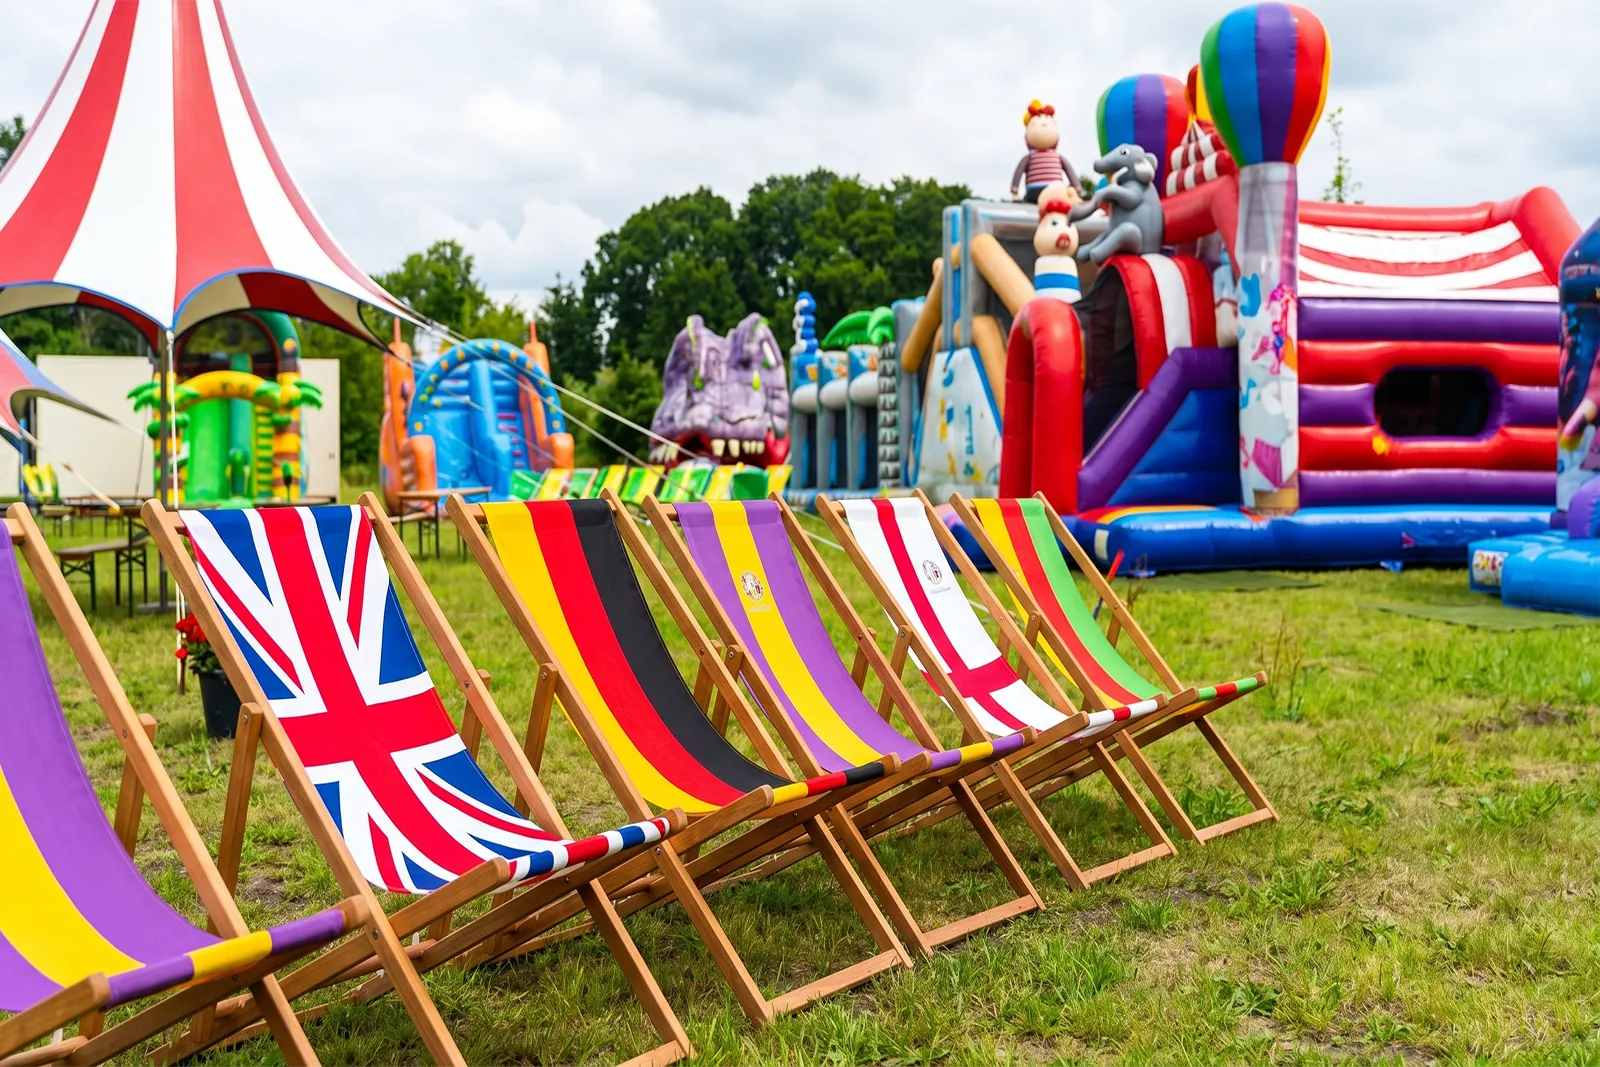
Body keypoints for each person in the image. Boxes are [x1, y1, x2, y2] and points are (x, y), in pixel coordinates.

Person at [1010, 100, 1082, 204]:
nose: (1044, 125)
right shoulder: (1030, 157)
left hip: (1049, 190)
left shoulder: (1057, 157)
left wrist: (1014, 189)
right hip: (1045, 191)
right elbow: (1019, 171)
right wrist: (1077, 186)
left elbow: (1068, 169)